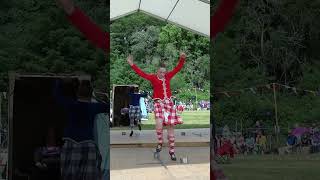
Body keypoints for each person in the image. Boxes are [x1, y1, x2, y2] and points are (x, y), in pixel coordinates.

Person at [127, 53, 186, 161]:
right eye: (161, 72)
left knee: (170, 129)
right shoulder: (153, 78)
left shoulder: (168, 76)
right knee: (159, 125)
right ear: (157, 72)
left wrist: (182, 59)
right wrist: (132, 64)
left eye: (164, 72)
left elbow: (177, 68)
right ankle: (160, 142)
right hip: (158, 103)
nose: (163, 74)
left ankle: (172, 152)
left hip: (169, 104)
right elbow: (141, 73)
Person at [53, 78, 109, 180]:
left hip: (71, 143)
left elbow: (57, 95)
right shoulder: (94, 107)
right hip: (88, 144)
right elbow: (107, 106)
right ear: (91, 93)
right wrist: (98, 97)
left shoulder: (70, 104)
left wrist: (60, 81)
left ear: (77, 92)